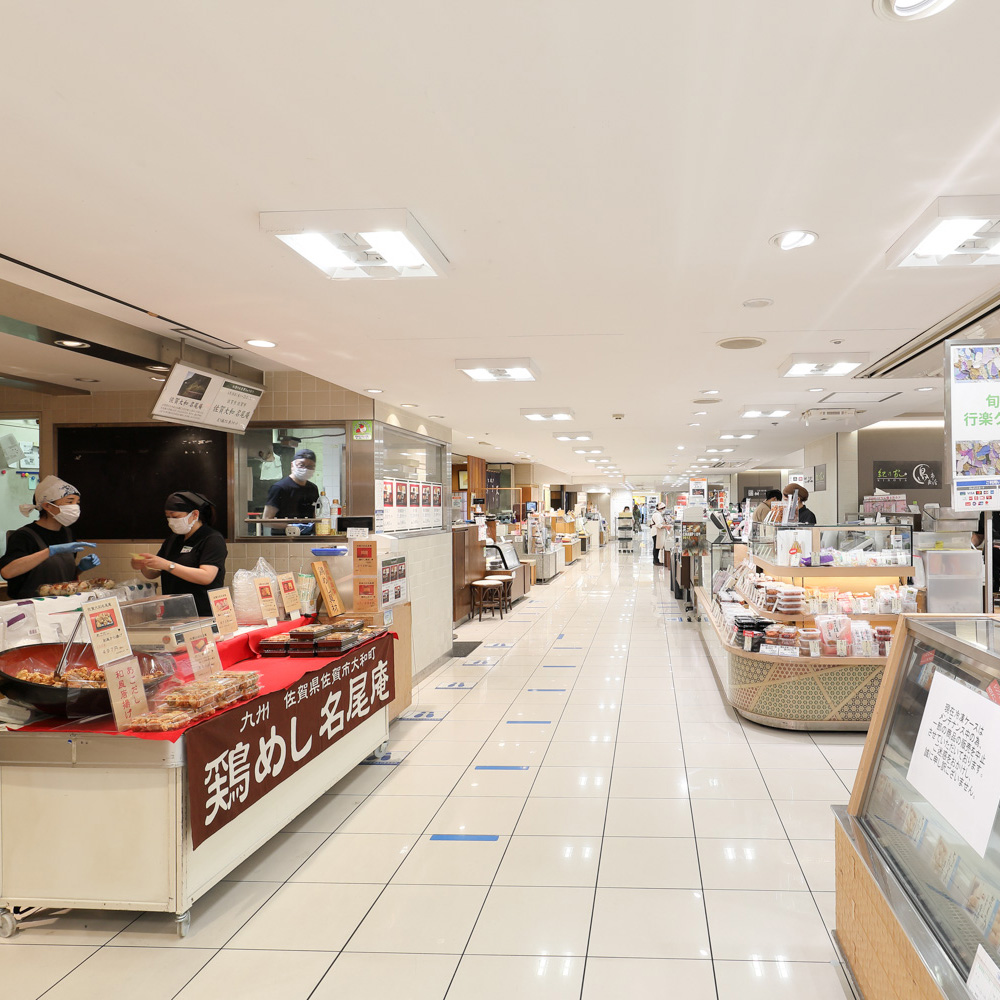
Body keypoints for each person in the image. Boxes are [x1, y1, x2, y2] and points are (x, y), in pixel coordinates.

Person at [0, 475, 99, 599]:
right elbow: (7, 572)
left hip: (62, 604)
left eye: (77, 502)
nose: (75, 507)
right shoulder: (24, 536)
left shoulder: (67, 534)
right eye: (69, 502)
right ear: (47, 506)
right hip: (31, 606)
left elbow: (62, 577)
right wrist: (50, 551)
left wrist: (80, 568)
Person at [131, 492, 227, 617]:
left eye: (175, 517)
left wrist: (168, 565)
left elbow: (206, 576)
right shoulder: (173, 539)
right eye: (168, 517)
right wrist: (143, 565)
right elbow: (154, 573)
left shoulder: (212, 539)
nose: (171, 521)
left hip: (203, 614)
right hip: (173, 614)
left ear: (195, 514)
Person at [263, 448, 319, 534]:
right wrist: (290, 526)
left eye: (310, 466)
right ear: (292, 465)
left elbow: (315, 516)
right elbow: (266, 520)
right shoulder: (279, 488)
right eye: (301, 465)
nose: (305, 469)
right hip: (283, 538)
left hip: (307, 538)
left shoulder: (313, 489)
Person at [650, 501, 668, 565]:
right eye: (663, 508)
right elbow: (658, 524)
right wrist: (666, 526)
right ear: (660, 509)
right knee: (656, 547)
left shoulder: (658, 514)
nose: (664, 510)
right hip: (656, 532)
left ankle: (656, 560)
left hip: (657, 532)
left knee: (657, 546)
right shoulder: (657, 515)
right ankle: (656, 561)